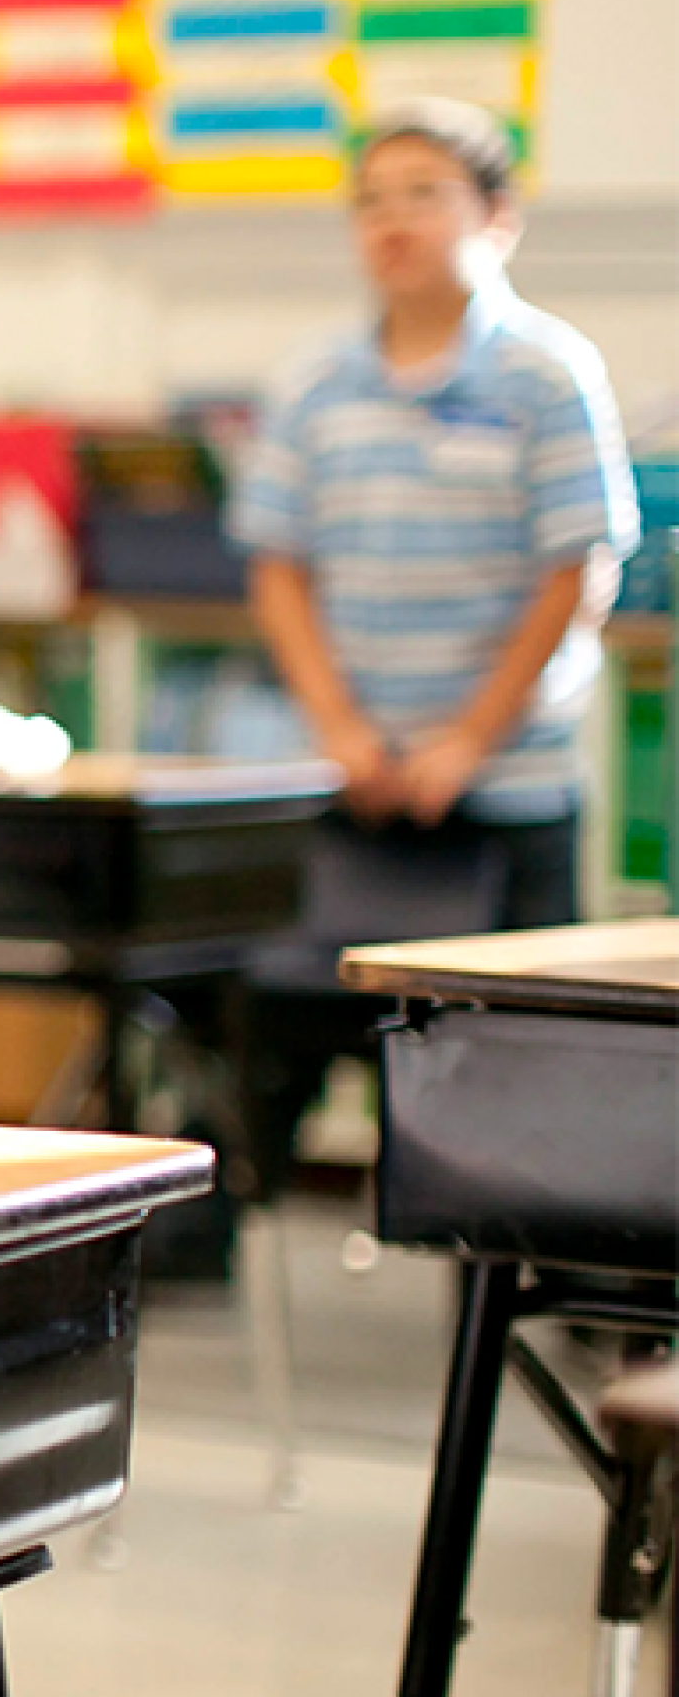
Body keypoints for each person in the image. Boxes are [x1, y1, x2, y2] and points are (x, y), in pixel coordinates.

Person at [222, 98, 638, 1187]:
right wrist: (342, 728)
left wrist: (467, 740)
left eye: (423, 194)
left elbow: (576, 573)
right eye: (370, 201)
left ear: (498, 218)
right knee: (282, 1040)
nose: (391, 220)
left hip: (508, 783)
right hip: (357, 777)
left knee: (528, 1077)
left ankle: (549, 1302)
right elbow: (279, 567)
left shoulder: (548, 373)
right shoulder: (315, 381)